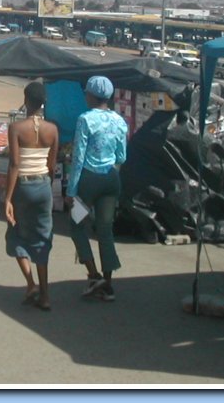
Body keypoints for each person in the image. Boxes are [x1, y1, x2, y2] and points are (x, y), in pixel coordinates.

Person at [65, 75, 128, 302]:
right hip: (111, 180)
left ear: (91, 95)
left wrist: (71, 191)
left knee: (76, 224)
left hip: (88, 183)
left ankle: (93, 275)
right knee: (105, 230)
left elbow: (78, 158)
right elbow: (122, 155)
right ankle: (108, 285)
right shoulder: (119, 121)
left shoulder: (85, 120)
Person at [4, 82, 59, 311]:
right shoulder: (52, 129)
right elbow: (52, 165)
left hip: (23, 187)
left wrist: (8, 198)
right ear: (44, 102)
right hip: (44, 186)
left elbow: (15, 164)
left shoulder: (16, 128)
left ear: (26, 100)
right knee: (42, 238)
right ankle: (45, 295)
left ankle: (30, 283)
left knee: (17, 233)